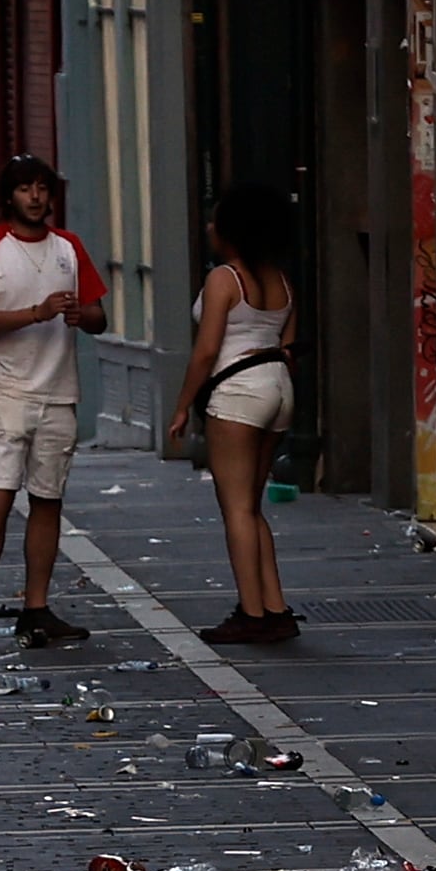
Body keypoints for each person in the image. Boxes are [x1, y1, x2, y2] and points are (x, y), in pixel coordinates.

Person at [0, 156, 107, 651]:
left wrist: (79, 315)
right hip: (7, 390)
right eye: (26, 188)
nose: (36, 197)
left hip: (59, 391)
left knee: (48, 499)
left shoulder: (69, 248)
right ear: (10, 197)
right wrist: (35, 313)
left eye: (43, 188)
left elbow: (99, 316)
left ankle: (36, 608)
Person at [166, 183, 299, 648]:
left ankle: (252, 612)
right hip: (278, 386)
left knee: (236, 509)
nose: (208, 226)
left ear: (231, 231)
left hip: (238, 393)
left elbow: (206, 352)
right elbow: (289, 343)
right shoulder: (281, 280)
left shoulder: (225, 279)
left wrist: (183, 404)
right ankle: (276, 607)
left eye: (214, 220)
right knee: (253, 506)